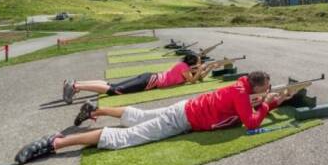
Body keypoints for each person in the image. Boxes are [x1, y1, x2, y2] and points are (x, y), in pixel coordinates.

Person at [15, 71, 291, 165]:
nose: (266, 91)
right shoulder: (245, 95)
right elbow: (251, 122)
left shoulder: (240, 85)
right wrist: (270, 104)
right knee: (125, 137)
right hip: (183, 120)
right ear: (256, 87)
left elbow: (242, 106)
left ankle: (95, 111)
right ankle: (56, 142)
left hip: (185, 107)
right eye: (265, 88)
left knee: (139, 117)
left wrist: (266, 100)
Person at [61, 54, 224, 104]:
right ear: (192, 64)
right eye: (198, 63)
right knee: (113, 90)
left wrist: (208, 68)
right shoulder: (184, 69)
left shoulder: (183, 66)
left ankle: (76, 84)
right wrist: (204, 68)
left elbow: (197, 77)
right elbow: (193, 80)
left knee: (112, 85)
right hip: (149, 81)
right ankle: (75, 86)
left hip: (149, 77)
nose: (199, 65)